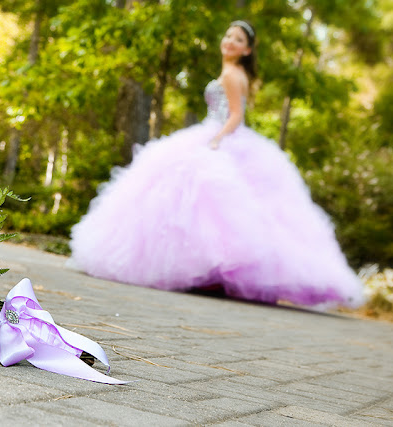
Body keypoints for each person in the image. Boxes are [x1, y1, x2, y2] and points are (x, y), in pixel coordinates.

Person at [68, 20, 364, 308]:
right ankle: (211, 274)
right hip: (216, 131)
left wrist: (216, 140)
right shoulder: (232, 72)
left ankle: (213, 272)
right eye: (228, 36)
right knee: (206, 206)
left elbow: (235, 115)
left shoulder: (233, 75)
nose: (230, 41)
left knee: (211, 204)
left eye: (238, 39)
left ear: (247, 51)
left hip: (221, 133)